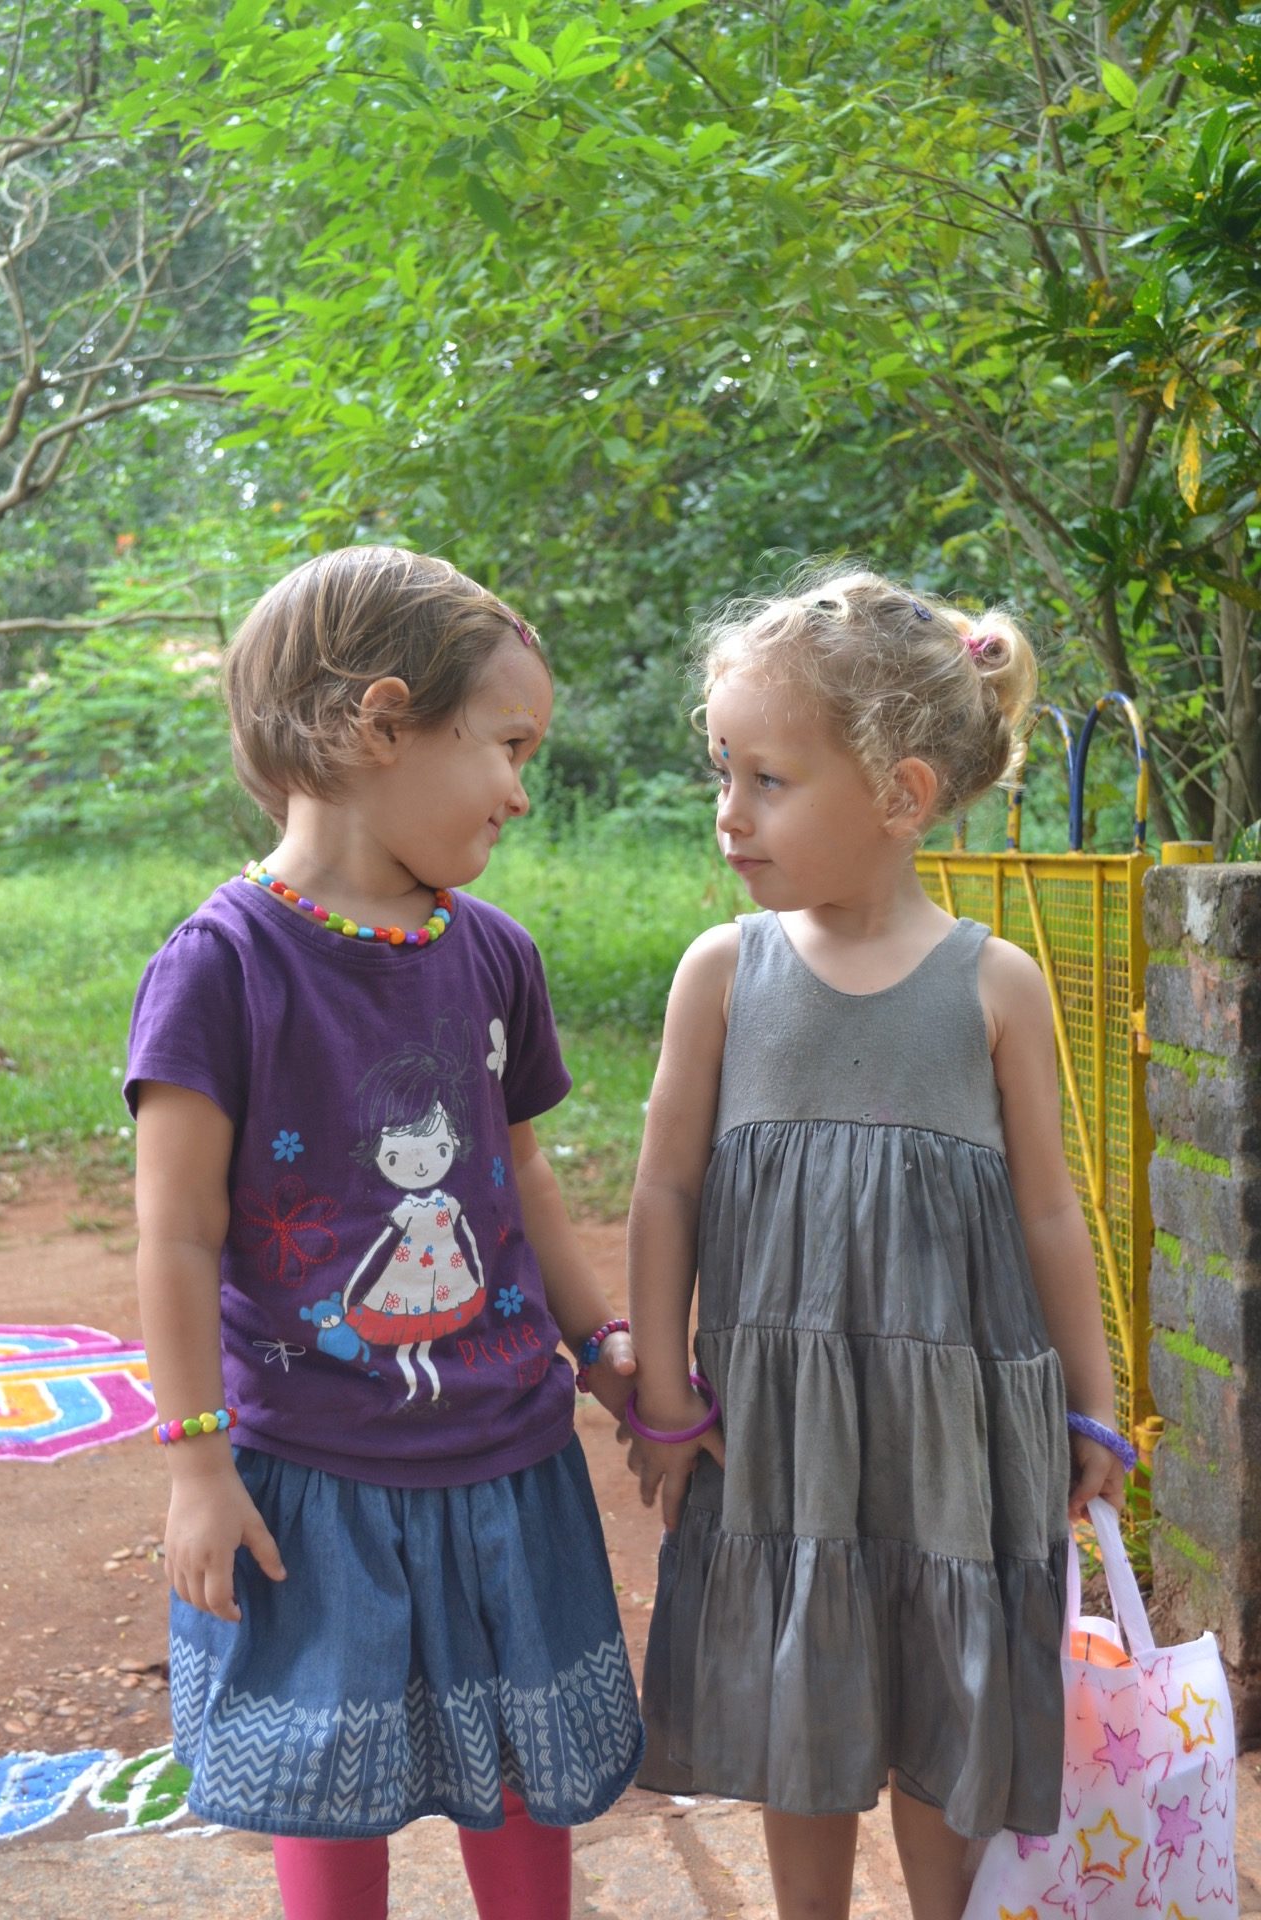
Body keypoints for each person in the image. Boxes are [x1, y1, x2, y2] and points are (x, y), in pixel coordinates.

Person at [127, 547, 643, 1920]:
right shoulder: (221, 967)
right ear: (384, 722)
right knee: (327, 1777)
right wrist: (197, 1464)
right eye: (508, 746)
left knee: (522, 1769)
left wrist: (602, 1343)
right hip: (310, 1478)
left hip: (509, 1460)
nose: (522, 791)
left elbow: (522, 1175)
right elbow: (175, 1238)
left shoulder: (497, 955)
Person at [624, 567, 1129, 1920]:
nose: (730, 811)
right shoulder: (722, 973)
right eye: (722, 771)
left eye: (769, 779)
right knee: (803, 1692)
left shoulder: (996, 985)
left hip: (953, 1431)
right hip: (782, 1431)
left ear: (902, 795)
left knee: (944, 1696)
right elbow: (665, 1190)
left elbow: (1049, 1213)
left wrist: (1092, 1402)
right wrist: (664, 1390)